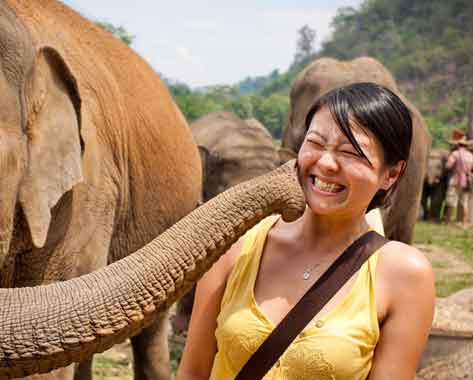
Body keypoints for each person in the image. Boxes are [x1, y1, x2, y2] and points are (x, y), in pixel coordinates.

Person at [177, 83, 435, 380]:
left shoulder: (404, 275)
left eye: (351, 152)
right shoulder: (237, 244)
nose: (325, 163)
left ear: (391, 174)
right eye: (315, 143)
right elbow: (193, 373)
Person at [443, 130, 473, 224]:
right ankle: (464, 222)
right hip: (466, 182)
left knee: (451, 201)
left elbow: (448, 165)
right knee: (464, 202)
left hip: (455, 181)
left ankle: (447, 221)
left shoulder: (455, 154)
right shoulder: (471, 155)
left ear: (458, 145)